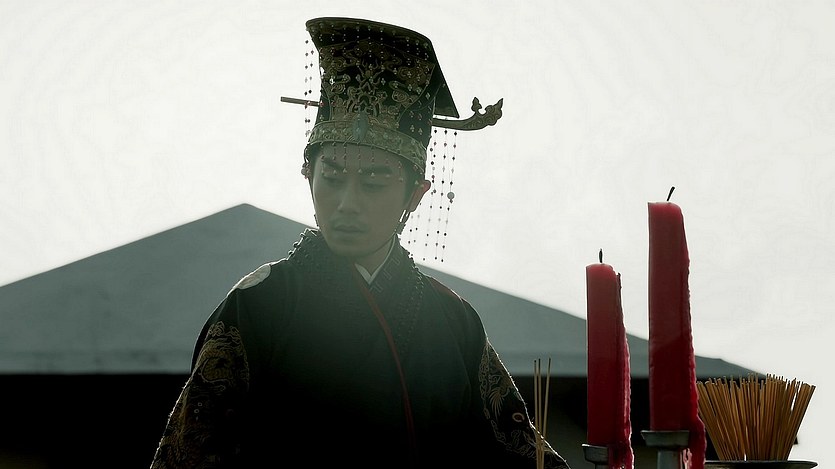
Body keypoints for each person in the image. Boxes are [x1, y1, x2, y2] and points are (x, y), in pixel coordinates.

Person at [150, 16, 571, 469]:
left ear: (415, 195)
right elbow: (189, 454)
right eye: (332, 178)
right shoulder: (260, 305)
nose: (347, 204)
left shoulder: (454, 322)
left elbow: (518, 453)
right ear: (308, 175)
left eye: (373, 183)